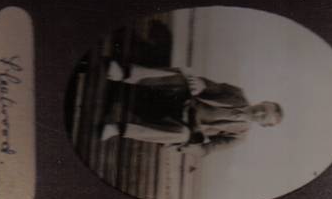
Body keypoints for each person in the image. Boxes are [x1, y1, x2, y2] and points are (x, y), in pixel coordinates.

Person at [100, 63, 283, 151]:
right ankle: (123, 73)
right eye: (263, 108)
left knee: (183, 135)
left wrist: (190, 147)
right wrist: (202, 85)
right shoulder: (238, 94)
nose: (259, 112)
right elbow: (214, 87)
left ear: (262, 124)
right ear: (262, 102)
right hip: (184, 100)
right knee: (186, 80)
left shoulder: (239, 136)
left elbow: (208, 149)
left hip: (184, 124)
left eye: (263, 117)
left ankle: (116, 128)